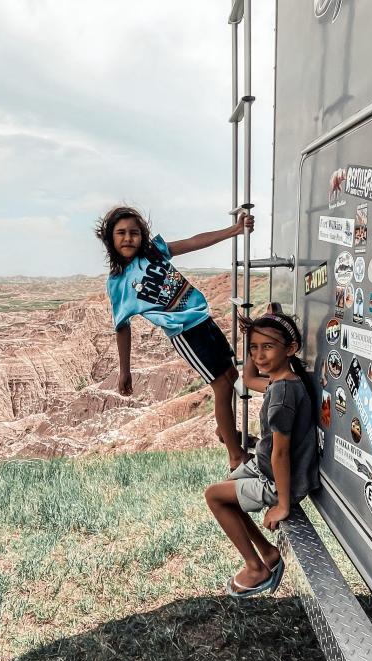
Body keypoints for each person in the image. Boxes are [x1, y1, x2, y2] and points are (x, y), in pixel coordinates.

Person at [96, 205, 254, 471]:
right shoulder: (118, 282)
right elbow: (122, 326)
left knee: (231, 376)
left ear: (142, 235)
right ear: (110, 239)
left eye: (134, 232)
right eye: (120, 233)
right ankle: (235, 456)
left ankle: (223, 430)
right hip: (186, 333)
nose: (128, 238)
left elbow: (193, 242)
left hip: (203, 319)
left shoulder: (153, 253)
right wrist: (125, 371)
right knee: (222, 387)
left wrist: (235, 230)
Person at [204, 310, 319, 597]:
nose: (259, 355)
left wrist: (282, 505)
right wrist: (253, 337)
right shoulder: (281, 382)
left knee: (215, 496)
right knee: (227, 486)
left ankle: (256, 567)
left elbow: (281, 455)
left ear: (290, 349)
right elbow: (248, 376)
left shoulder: (282, 395)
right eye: (254, 348)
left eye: (267, 347)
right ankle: (267, 553)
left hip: (277, 479)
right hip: (265, 466)